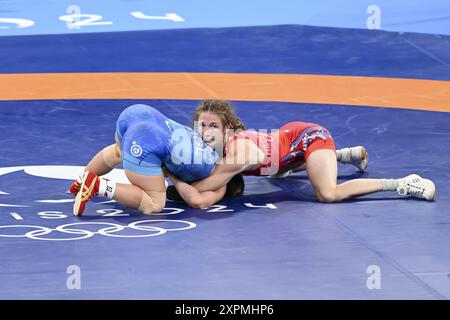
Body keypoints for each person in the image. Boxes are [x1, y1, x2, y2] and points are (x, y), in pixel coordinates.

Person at [169, 100, 435, 205]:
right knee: (277, 170)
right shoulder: (206, 147)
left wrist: (172, 176)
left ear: (228, 129)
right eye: (201, 125)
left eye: (213, 125)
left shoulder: (238, 149)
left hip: (308, 138)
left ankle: (402, 183)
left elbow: (208, 187)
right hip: (286, 148)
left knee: (328, 193)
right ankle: (343, 155)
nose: (206, 132)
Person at [69, 104, 227, 216]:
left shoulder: (205, 143)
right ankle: (98, 185)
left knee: (119, 151)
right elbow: (196, 201)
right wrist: (172, 176)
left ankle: (81, 179)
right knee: (155, 203)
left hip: (138, 112)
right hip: (147, 141)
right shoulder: (221, 183)